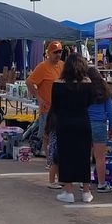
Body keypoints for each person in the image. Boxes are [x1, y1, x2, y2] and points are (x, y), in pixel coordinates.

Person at [48, 54, 96, 203]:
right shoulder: (88, 83)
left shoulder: (58, 83)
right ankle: (86, 192)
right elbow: (90, 102)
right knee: (84, 157)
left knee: (66, 157)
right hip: (83, 123)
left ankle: (68, 191)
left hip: (65, 123)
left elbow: (54, 106)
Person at [27, 41, 65, 188]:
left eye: (60, 51)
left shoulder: (62, 65)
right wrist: (39, 97)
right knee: (47, 135)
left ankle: (54, 161)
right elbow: (29, 82)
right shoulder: (42, 67)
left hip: (60, 109)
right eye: (55, 52)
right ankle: (50, 161)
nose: (58, 54)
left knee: (57, 137)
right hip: (47, 109)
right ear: (49, 53)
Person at [86, 66, 112, 193]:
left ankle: (85, 183)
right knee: (100, 157)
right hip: (99, 125)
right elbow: (110, 112)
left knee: (85, 156)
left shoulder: (83, 90)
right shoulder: (105, 91)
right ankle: (101, 184)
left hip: (85, 124)